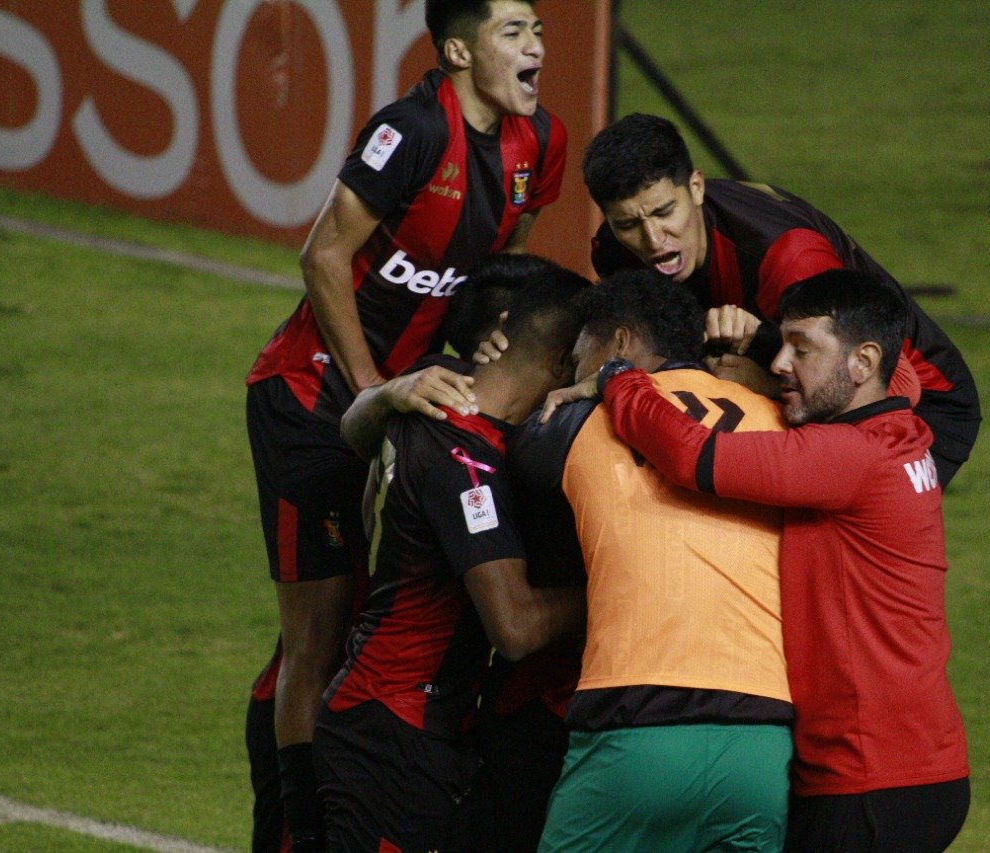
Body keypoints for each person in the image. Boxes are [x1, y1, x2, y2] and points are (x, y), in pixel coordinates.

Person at [241, 0, 566, 847]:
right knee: (317, 632)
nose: (534, 45)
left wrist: (483, 331)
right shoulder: (414, 132)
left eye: (537, 29)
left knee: (354, 619)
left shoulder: (540, 143)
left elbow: (497, 272)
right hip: (311, 398)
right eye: (511, 32)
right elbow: (322, 253)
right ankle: (301, 831)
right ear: (457, 51)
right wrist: (374, 392)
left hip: (406, 395)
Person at [592, 268, 971, 852]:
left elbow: (693, 457)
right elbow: (901, 378)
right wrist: (769, 347)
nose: (777, 364)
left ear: (863, 362)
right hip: (915, 766)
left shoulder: (848, 456)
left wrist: (621, 379)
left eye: (801, 350)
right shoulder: (900, 427)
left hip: (868, 778)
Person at [314, 260, 588, 852]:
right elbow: (515, 627)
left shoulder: (433, 385)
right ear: (562, 361)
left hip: (391, 711)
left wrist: (381, 394)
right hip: (397, 724)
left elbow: (354, 433)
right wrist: (625, 590)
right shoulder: (466, 462)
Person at [517, 270, 794, 852]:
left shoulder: (575, 420)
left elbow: (504, 455)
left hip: (634, 722)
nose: (570, 376)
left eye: (578, 358)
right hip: (762, 742)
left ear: (618, 344)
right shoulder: (781, 421)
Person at [583, 112, 979, 488]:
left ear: (696, 187)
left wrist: (767, 382)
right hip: (796, 368)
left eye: (665, 212)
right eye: (628, 224)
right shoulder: (615, 254)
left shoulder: (788, 256)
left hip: (919, 402)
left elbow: (892, 387)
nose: (653, 240)